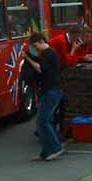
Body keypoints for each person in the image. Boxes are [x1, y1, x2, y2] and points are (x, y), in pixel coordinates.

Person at [22, 32, 64, 161]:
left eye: (35, 45)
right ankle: (46, 152)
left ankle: (56, 148)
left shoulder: (48, 53)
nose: (35, 48)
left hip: (52, 90)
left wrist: (27, 58)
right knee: (45, 121)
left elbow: (40, 69)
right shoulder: (48, 53)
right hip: (51, 90)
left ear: (41, 41)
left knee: (43, 121)